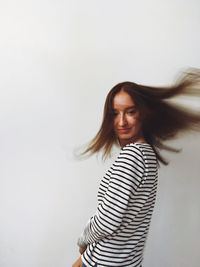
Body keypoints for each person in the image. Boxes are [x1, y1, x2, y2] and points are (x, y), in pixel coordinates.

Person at [72, 69, 200, 267]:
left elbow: (107, 221)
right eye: (115, 113)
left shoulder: (132, 157)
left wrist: (83, 241)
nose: (121, 121)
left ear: (143, 114)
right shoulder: (147, 155)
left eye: (130, 112)